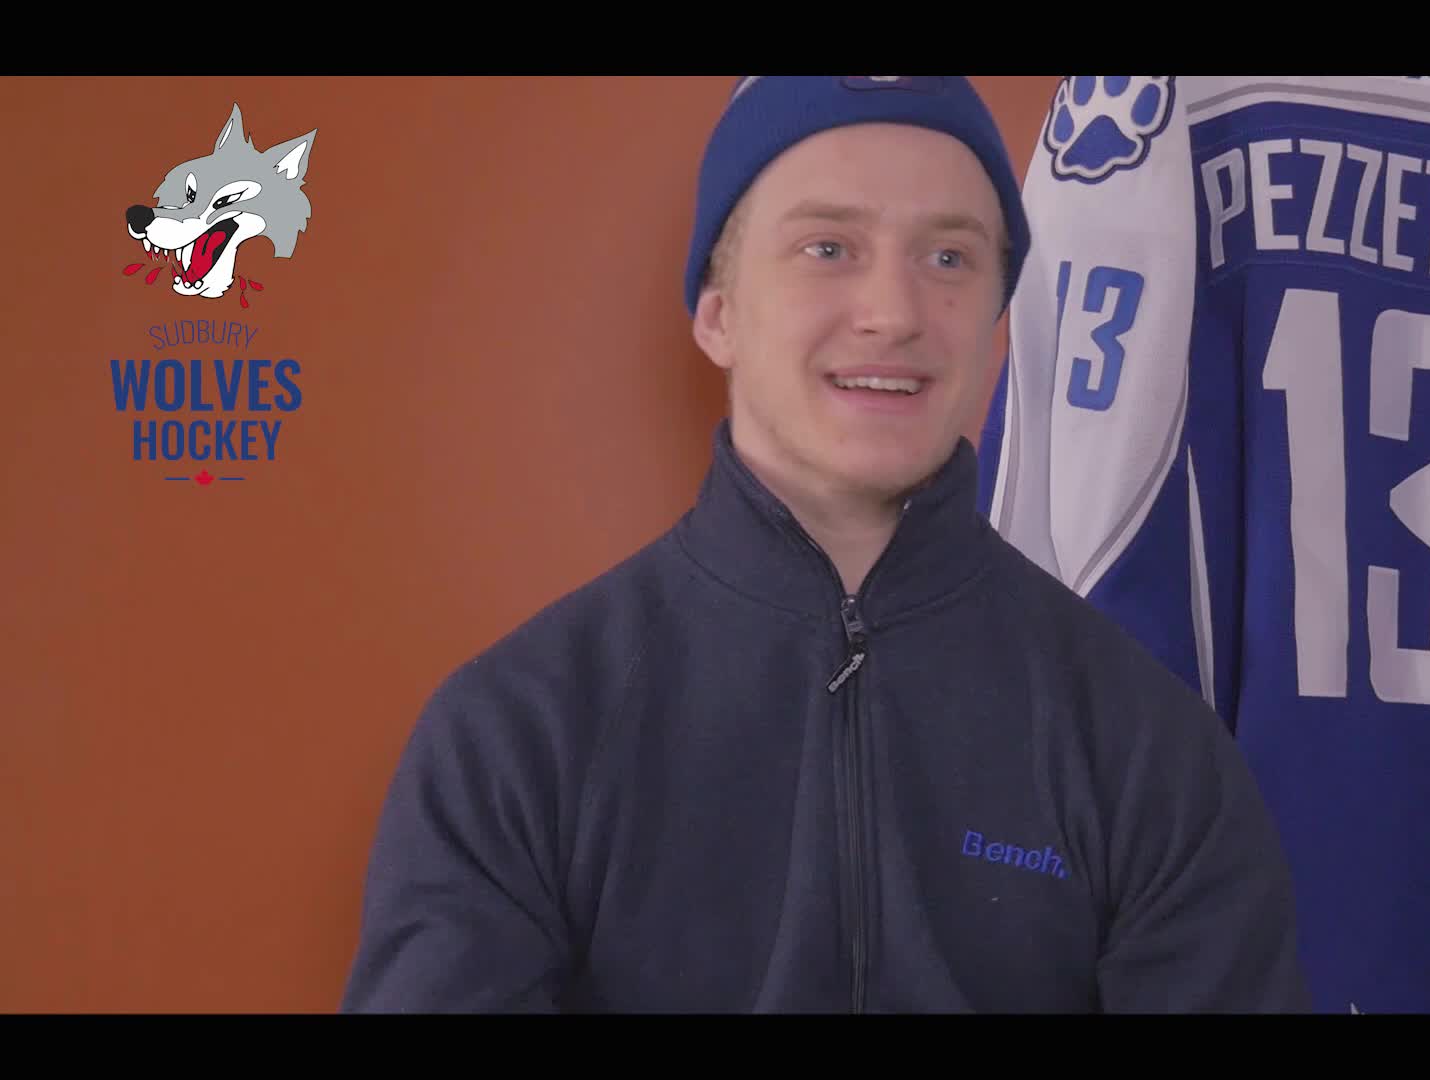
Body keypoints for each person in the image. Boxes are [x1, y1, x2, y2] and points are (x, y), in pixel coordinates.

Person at [339, 75, 1310, 1013]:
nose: (894, 313)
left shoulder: (1145, 748)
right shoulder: (516, 736)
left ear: (996, 323)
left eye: (949, 259)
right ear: (718, 314)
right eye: (828, 248)